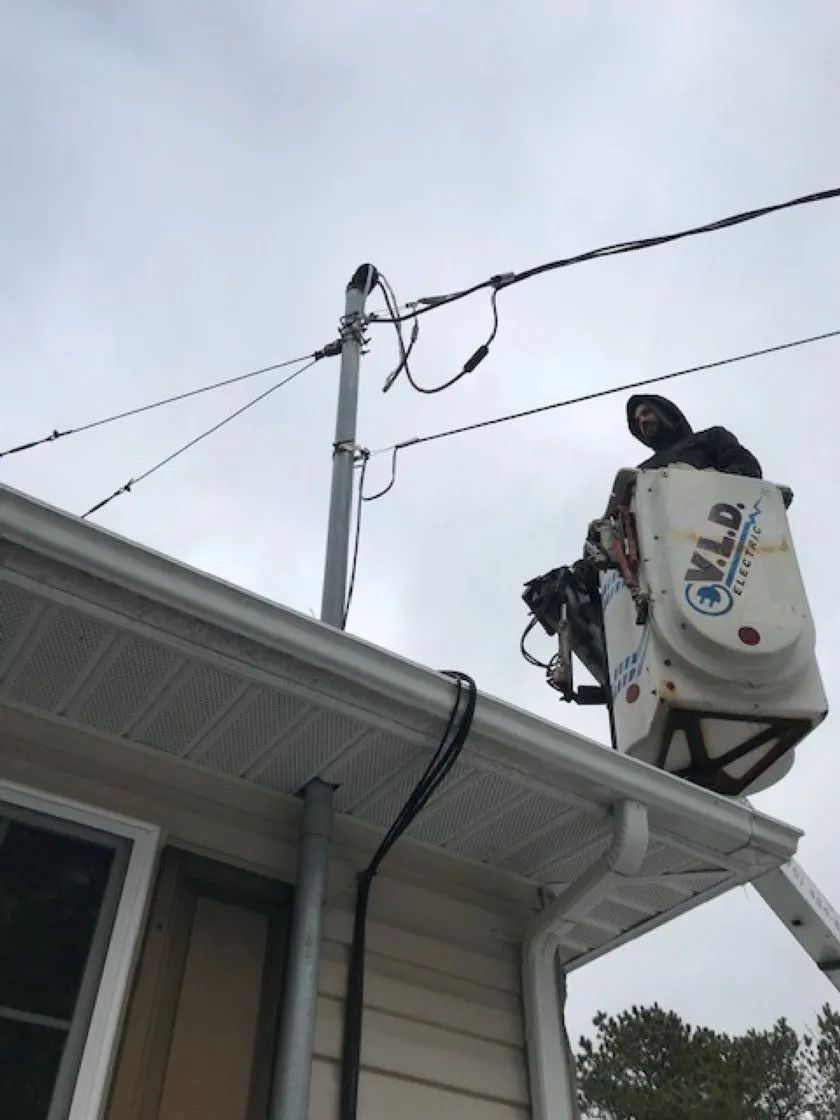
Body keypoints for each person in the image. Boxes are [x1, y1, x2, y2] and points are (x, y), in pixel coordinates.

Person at [625, 394, 762, 477]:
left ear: (663, 412)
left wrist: (711, 480)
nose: (642, 421)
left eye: (646, 412)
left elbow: (747, 467)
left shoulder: (712, 437)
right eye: (637, 421)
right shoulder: (642, 472)